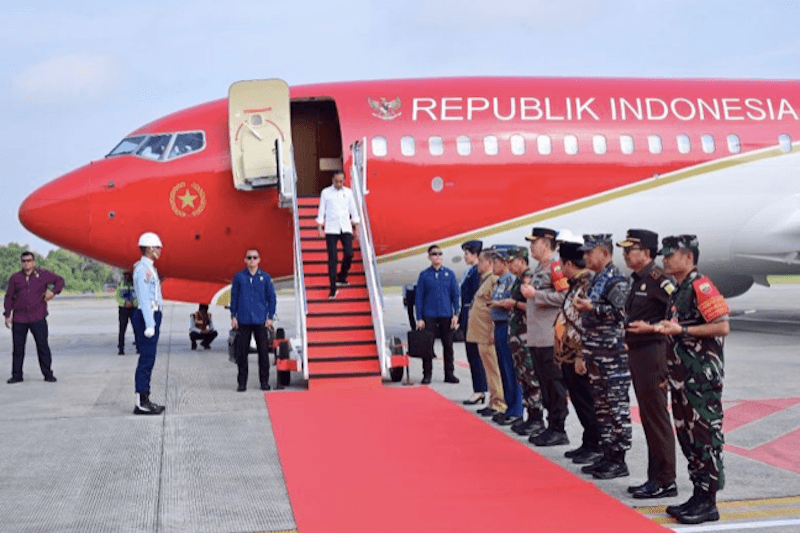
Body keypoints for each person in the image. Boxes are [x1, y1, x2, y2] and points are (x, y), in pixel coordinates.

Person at [654, 235, 729, 525]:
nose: (665, 259)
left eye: (671, 255)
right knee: (688, 439)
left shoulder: (701, 286)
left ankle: (709, 501)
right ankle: (698, 494)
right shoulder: (678, 290)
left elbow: (722, 326)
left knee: (705, 438)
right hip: (682, 379)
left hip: (701, 380)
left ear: (688, 257)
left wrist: (682, 331)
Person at [619, 229, 678, 500]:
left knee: (656, 417)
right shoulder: (638, 280)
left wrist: (651, 328)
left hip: (653, 353)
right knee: (648, 416)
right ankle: (655, 477)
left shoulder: (660, 281)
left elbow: (677, 318)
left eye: (630, 249)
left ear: (646, 253)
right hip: (639, 353)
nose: (626, 254)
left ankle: (666, 480)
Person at [573, 234, 632, 480]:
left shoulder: (615, 280)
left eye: (590, 252)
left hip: (612, 355)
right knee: (603, 408)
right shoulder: (596, 280)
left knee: (616, 408)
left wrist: (592, 308)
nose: (585, 256)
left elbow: (622, 314)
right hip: (596, 354)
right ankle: (606, 454)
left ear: (604, 253)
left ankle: (619, 458)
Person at [553, 238, 602, 465]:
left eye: (562, 264)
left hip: (579, 354)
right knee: (580, 401)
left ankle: (596, 444)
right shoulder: (576, 283)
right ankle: (588, 441)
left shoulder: (587, 284)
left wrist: (582, 354)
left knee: (586, 400)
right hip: (568, 352)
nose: (560, 269)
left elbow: (587, 322)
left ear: (569, 264)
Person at [522, 227, 570, 447]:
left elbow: (564, 297)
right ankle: (551, 426)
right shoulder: (539, 268)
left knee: (554, 384)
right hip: (537, 336)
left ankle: (558, 428)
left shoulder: (555, 267)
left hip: (551, 336)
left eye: (535, 242)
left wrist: (537, 294)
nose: (531, 246)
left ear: (546, 243)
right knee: (544, 383)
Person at [494, 246, 545, 435]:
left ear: (521, 261)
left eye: (511, 261)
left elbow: (533, 305)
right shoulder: (517, 280)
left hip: (526, 334)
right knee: (522, 376)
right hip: (517, 334)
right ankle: (529, 416)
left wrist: (513, 304)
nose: (509, 265)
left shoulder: (528, 278)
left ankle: (537, 418)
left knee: (531, 377)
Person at [4, 251, 64, 384]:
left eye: (29, 260)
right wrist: (7, 314)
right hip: (20, 318)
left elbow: (60, 281)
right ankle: (17, 375)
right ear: (21, 262)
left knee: (42, 346)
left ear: (34, 261)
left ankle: (48, 374)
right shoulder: (15, 278)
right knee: (18, 348)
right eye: (24, 261)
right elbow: (9, 297)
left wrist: (53, 292)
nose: (26, 263)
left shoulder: (43, 274)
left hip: (38, 317)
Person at [231, 249, 277, 392]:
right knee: (242, 353)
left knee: (263, 354)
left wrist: (270, 317)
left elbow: (272, 298)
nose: (252, 260)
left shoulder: (265, 277)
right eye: (249, 258)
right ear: (245, 260)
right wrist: (233, 316)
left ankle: (264, 382)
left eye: (254, 257)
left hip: (260, 321)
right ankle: (242, 382)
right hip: (244, 320)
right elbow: (234, 297)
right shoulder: (239, 277)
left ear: (259, 260)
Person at [487, 246, 523, 425]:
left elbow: (514, 303)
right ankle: (509, 407)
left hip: (509, 326)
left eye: (495, 262)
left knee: (512, 369)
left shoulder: (511, 280)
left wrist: (500, 304)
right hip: (500, 326)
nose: (492, 265)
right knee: (504, 368)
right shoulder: (500, 281)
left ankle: (517, 409)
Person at [467, 251, 506, 417]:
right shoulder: (486, 280)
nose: (478, 264)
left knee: (494, 369)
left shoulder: (494, 280)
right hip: (481, 333)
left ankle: (499, 403)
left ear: (489, 263)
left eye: (481, 261)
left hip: (487, 333)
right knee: (489, 370)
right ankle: (493, 400)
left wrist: (492, 330)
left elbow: (494, 308)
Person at [414, 244, 460, 385]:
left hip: (446, 315)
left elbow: (455, 295)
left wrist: (456, 314)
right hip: (429, 315)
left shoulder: (449, 274)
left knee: (448, 346)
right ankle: (427, 374)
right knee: (428, 347)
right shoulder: (424, 275)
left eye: (440, 254)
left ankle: (449, 374)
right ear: (429, 257)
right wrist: (419, 318)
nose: (437, 257)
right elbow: (419, 297)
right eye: (434, 254)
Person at [131, 232, 166, 415]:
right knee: (146, 359)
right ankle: (141, 402)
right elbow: (144, 298)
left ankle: (145, 398)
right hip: (147, 315)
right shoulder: (142, 269)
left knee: (149, 359)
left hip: (152, 314)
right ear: (150, 249)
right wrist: (150, 323)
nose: (160, 250)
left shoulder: (149, 267)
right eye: (157, 247)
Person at [316, 171, 361, 299]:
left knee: (349, 253)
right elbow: (321, 210)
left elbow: (353, 210)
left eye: (341, 181)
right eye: (337, 181)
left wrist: (356, 227)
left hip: (345, 227)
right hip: (331, 228)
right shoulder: (326, 193)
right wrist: (320, 226)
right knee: (332, 258)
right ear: (333, 180)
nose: (339, 184)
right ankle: (333, 288)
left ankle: (342, 276)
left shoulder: (348, 193)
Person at [459, 240, 487, 404]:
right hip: (467, 315)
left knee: (475, 355)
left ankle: (480, 390)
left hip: (473, 317)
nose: (465, 256)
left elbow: (476, 297)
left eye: (467, 253)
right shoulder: (470, 271)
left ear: (475, 255)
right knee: (472, 355)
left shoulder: (477, 272)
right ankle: (479, 389)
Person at [115, 271, 138, 355]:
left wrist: (132, 303)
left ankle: (138, 347)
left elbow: (138, 296)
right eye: (125, 275)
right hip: (123, 309)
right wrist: (125, 303)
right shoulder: (120, 285)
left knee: (136, 328)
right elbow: (117, 297)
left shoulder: (136, 285)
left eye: (128, 275)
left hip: (133, 308)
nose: (127, 277)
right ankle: (121, 348)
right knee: (122, 329)